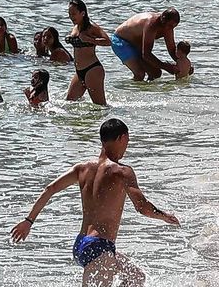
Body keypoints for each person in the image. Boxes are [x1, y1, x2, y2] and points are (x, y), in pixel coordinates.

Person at [9, 118, 180, 287]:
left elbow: (50, 189)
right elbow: (141, 206)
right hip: (99, 247)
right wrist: (164, 217)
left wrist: (28, 221)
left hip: (82, 244)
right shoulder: (122, 171)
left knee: (136, 277)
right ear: (121, 138)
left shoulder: (82, 168)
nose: (127, 147)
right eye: (127, 140)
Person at [110, 9, 183, 81]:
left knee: (155, 74)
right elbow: (146, 54)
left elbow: (172, 50)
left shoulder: (168, 27)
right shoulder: (151, 24)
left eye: (174, 27)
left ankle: (147, 92)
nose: (171, 29)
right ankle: (128, 91)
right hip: (121, 41)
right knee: (140, 74)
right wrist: (166, 67)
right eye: (170, 26)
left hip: (138, 45)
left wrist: (183, 63)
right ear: (163, 20)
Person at [65, 0, 113, 105]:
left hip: (92, 70)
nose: (71, 17)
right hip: (79, 72)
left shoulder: (91, 27)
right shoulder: (76, 27)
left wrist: (90, 40)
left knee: (100, 106)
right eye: (69, 14)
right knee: (68, 103)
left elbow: (108, 41)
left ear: (83, 13)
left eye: (73, 14)